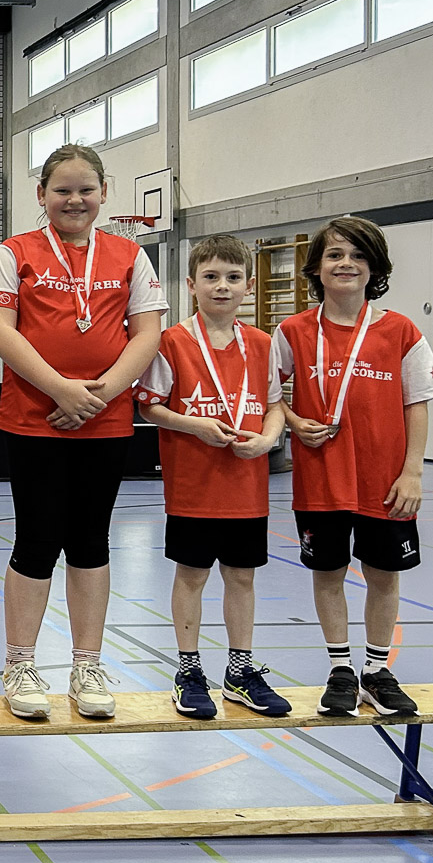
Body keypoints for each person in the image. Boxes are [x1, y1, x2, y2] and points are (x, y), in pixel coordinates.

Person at [0, 144, 167, 720]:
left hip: (104, 423)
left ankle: (87, 665)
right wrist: (61, 389)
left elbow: (147, 336)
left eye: (86, 189)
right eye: (62, 189)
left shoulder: (130, 257)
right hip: (35, 421)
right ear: (42, 195)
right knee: (36, 540)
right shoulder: (16, 252)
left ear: (104, 194)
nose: (75, 199)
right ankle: (21, 663)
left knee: (90, 541)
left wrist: (97, 395)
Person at [273, 215, 433, 716]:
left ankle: (377, 670)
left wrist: (412, 472)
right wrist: (292, 419)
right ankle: (340, 670)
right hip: (321, 480)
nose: (346, 263)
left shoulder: (399, 330)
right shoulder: (293, 331)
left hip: (385, 481)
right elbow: (269, 394)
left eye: (357, 255)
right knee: (328, 573)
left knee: (384, 574)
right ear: (317, 268)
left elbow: (418, 402)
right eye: (334, 255)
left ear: (374, 267)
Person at [136, 234, 290, 719]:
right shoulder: (171, 342)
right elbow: (152, 408)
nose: (222, 286)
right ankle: (188, 669)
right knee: (193, 576)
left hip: (246, 488)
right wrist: (195, 426)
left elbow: (273, 406)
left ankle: (240, 672)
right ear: (191, 284)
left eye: (233, 278)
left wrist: (268, 440)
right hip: (193, 488)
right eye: (211, 277)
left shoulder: (264, 344)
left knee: (241, 578)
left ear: (248, 286)